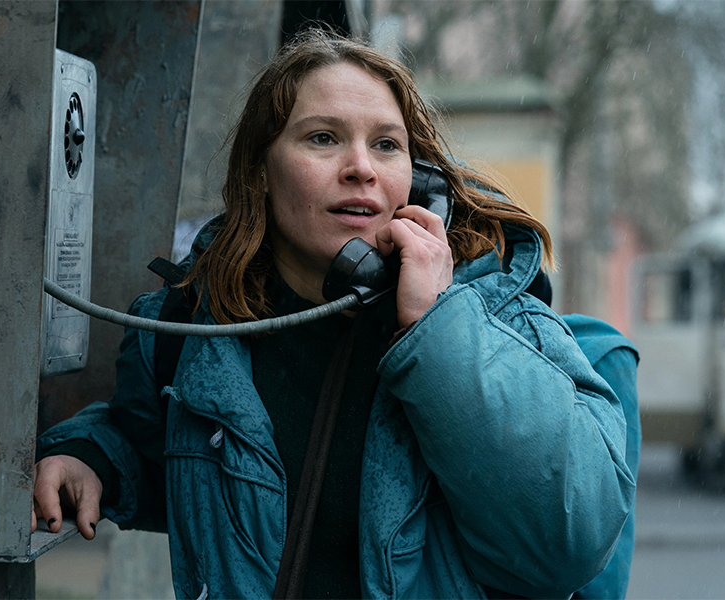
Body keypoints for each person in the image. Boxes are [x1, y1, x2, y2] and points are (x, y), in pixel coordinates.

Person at [33, 29, 634, 599]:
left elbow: (572, 537)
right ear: (259, 172)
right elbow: (168, 455)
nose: (361, 167)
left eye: (387, 145)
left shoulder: (503, 322)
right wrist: (93, 459)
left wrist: (436, 328)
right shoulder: (192, 330)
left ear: (419, 184)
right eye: (323, 138)